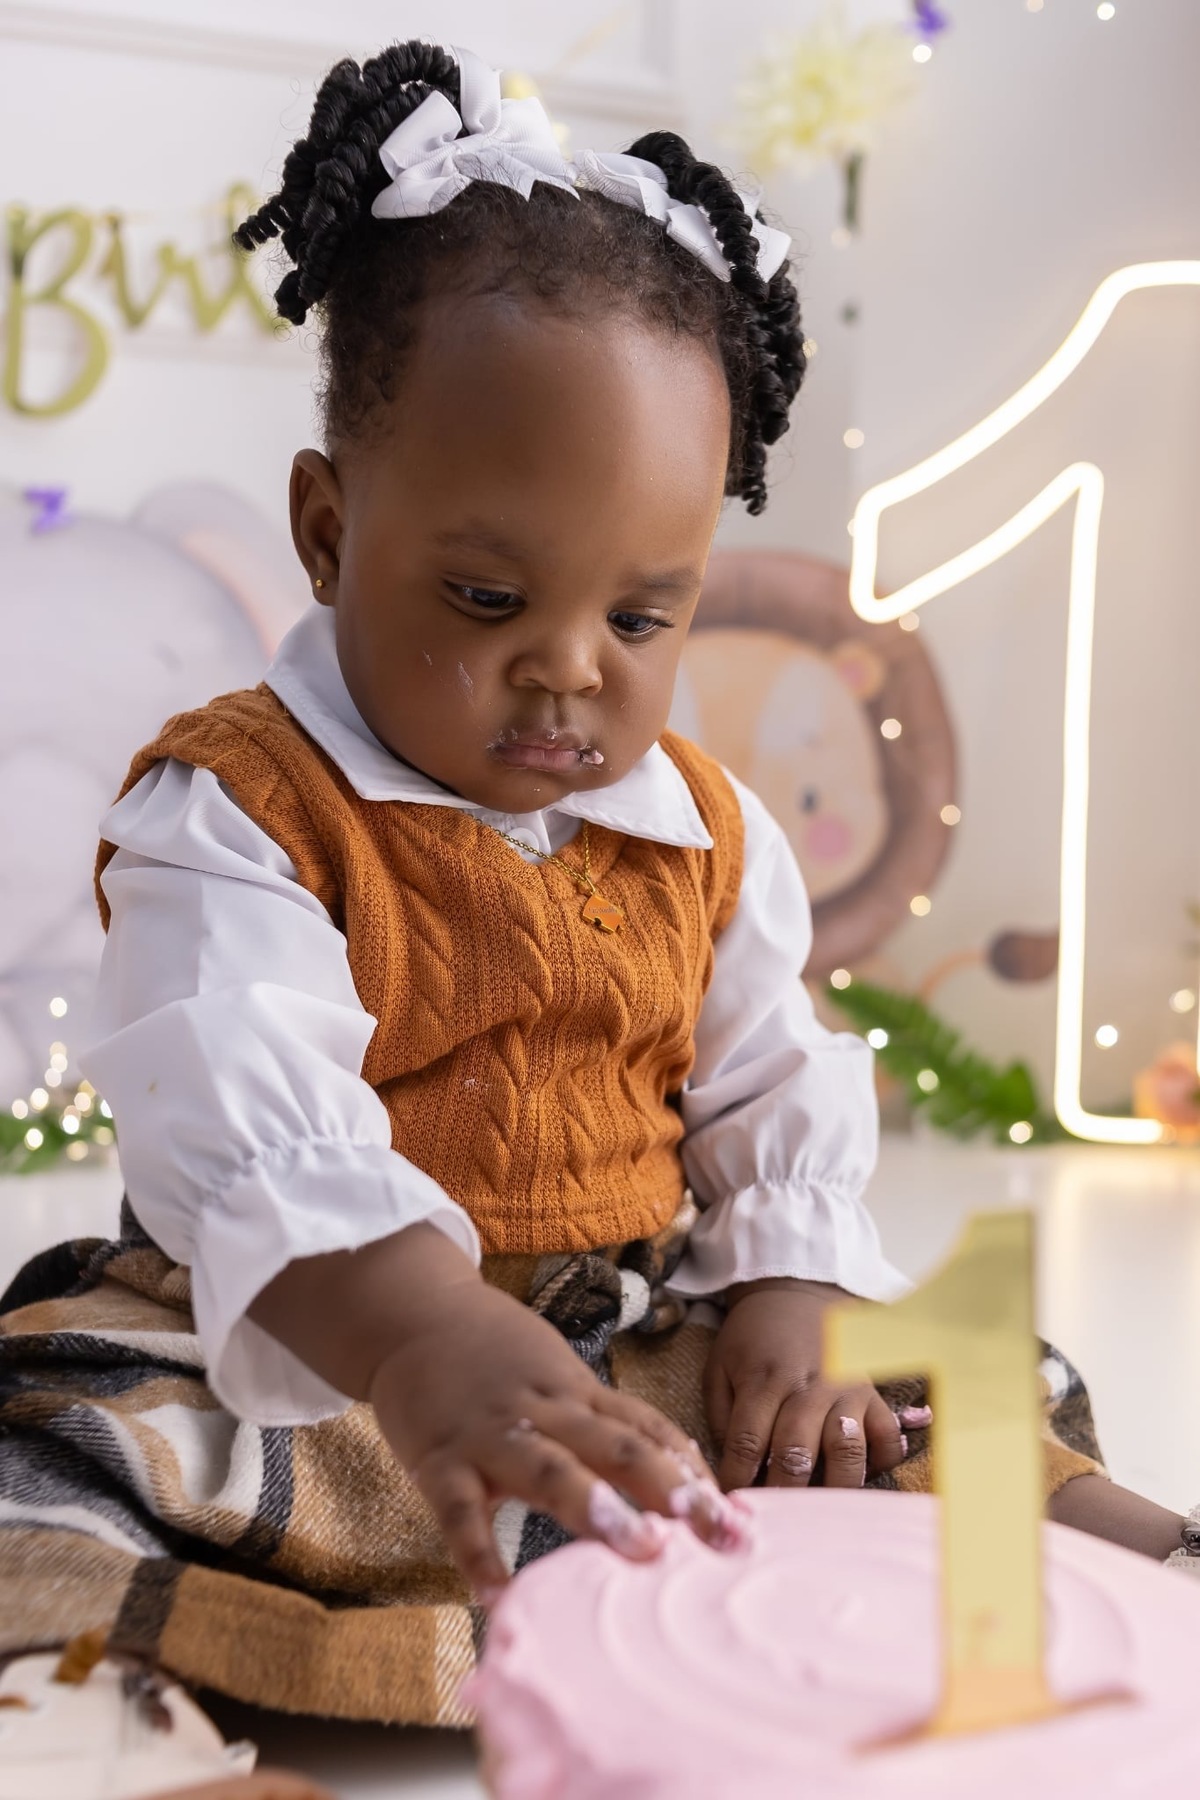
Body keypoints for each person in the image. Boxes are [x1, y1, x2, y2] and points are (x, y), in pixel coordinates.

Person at [0, 41, 1191, 1760]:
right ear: (328, 531)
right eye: (489, 599)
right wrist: (424, 1334)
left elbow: (769, 1083)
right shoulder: (240, 810)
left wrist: (785, 1294)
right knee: (73, 1438)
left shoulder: (702, 830)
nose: (569, 672)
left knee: (966, 1373)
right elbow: (241, 1118)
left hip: (632, 1335)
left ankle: (1140, 1565)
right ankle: (110, 1711)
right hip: (332, 1351)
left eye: (641, 618)